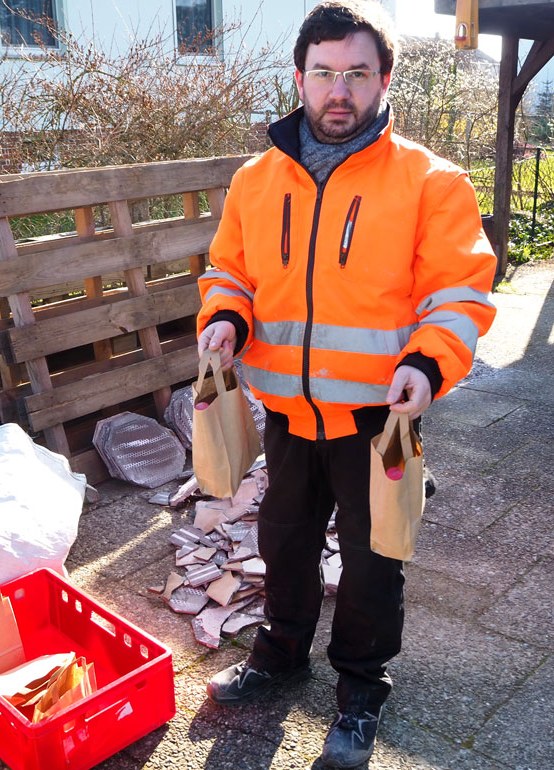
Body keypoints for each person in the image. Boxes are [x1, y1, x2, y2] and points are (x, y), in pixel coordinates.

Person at [195, 1, 497, 767]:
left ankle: (361, 690)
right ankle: (279, 656)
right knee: (283, 542)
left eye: (356, 74)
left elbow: (460, 293)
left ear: (383, 80)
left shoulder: (432, 181)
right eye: (324, 73)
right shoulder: (255, 180)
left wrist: (427, 365)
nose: (339, 90)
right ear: (299, 78)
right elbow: (228, 270)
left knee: (373, 560)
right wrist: (226, 315)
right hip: (288, 413)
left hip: (377, 418)